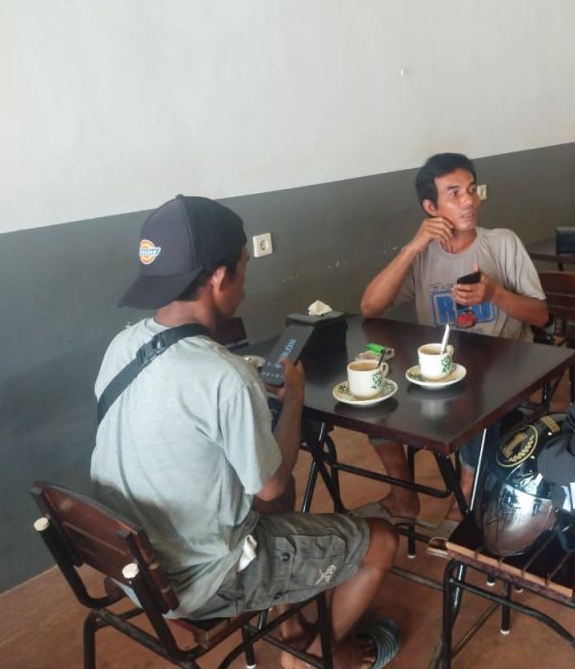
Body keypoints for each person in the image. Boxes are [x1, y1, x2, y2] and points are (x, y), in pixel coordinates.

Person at [91, 195, 400, 669]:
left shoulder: (123, 344)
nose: (245, 278)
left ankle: (292, 629)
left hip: (133, 567)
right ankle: (314, 658)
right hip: (201, 578)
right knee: (381, 540)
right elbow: (270, 487)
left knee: (270, 501)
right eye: (243, 265)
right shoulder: (224, 375)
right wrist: (293, 399)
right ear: (219, 276)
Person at [358, 153, 549, 536]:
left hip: (501, 373)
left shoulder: (502, 243)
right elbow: (369, 308)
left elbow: (541, 316)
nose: (469, 201)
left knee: (476, 406)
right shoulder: (424, 255)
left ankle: (461, 502)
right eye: (454, 193)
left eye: (472, 190)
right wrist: (413, 247)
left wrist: (495, 294)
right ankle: (404, 496)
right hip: (438, 375)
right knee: (376, 403)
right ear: (431, 208)